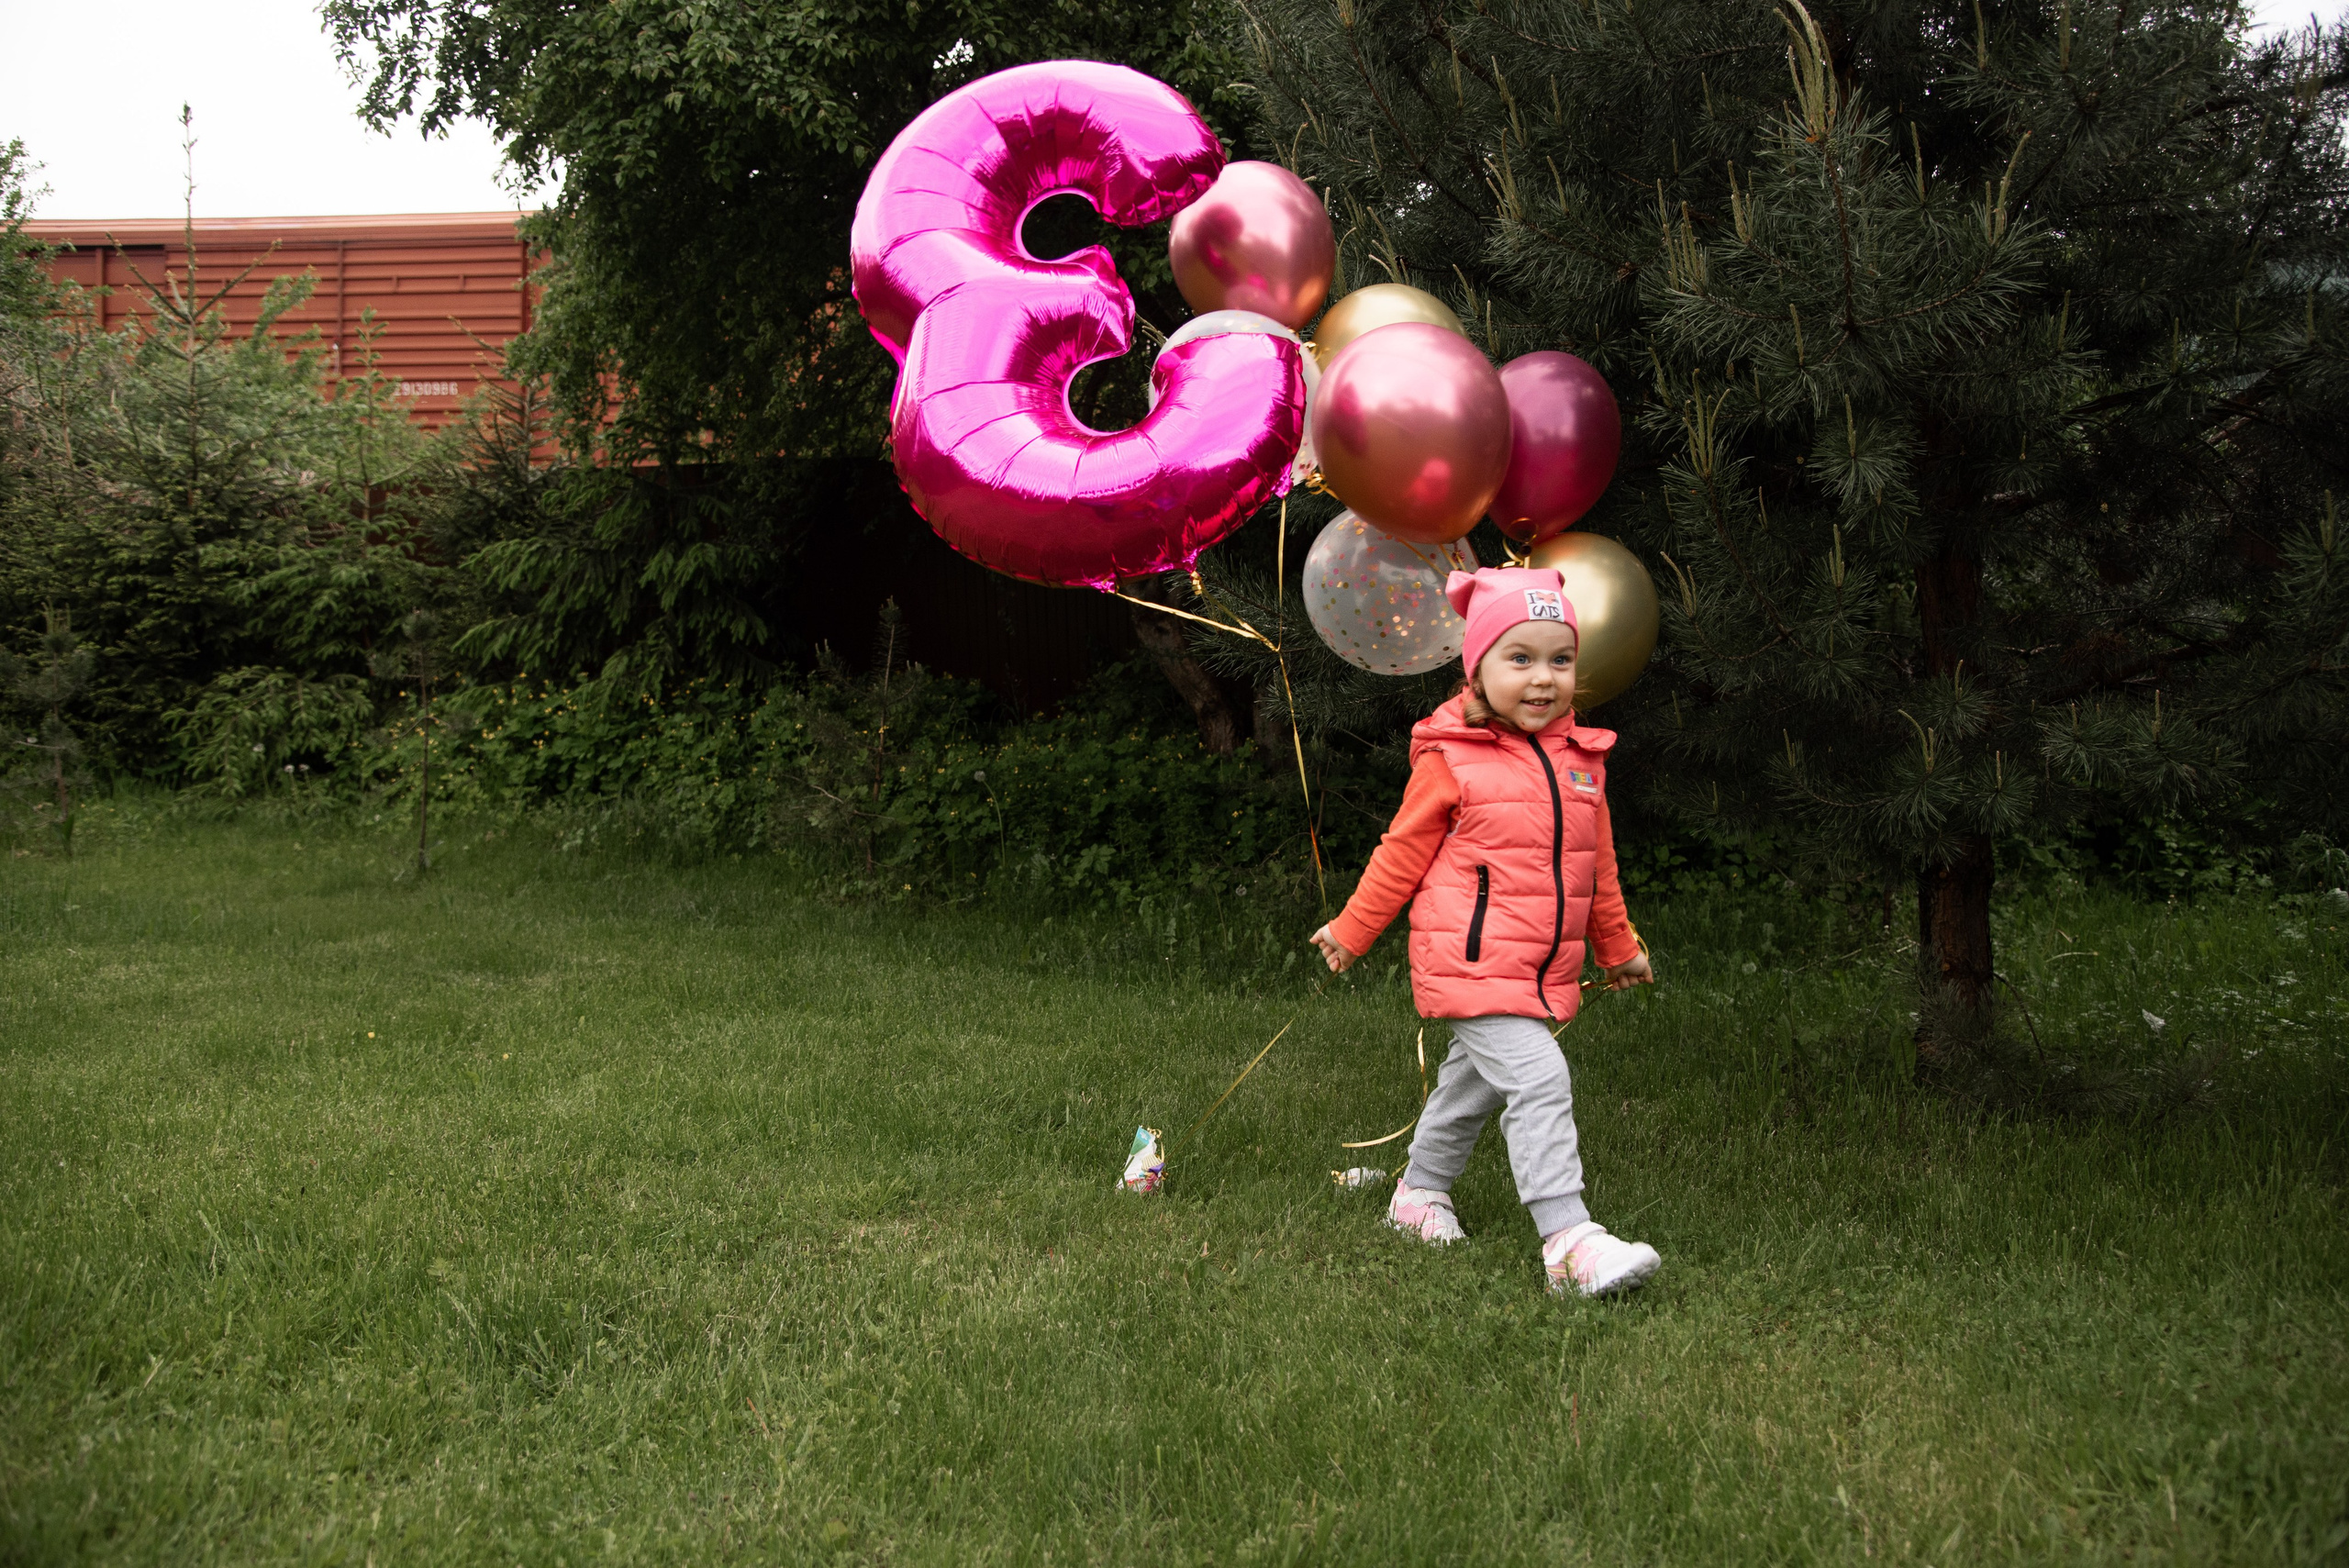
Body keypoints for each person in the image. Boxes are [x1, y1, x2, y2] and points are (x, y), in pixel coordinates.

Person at [1308, 565, 1660, 1297]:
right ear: (1477, 667)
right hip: (1469, 961)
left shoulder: (1581, 763)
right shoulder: (1451, 758)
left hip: (1536, 969)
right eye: (1520, 658)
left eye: (1559, 660)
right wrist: (1353, 930)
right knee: (1538, 1076)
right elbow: (1400, 852)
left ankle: (1417, 1194)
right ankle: (1568, 1240)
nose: (1543, 679)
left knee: (1471, 1088)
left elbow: (1599, 869)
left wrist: (1619, 949)